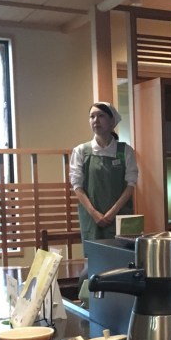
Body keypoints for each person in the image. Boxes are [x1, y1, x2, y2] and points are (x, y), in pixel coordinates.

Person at [69, 102, 138, 243]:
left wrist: (111, 213)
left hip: (120, 216)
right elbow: (77, 185)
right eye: (92, 116)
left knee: (122, 257)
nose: (96, 120)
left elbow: (131, 184)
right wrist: (94, 214)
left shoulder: (125, 151)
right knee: (95, 259)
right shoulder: (81, 151)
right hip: (91, 218)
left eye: (101, 116)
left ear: (112, 121)